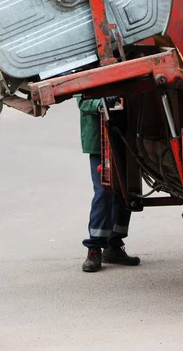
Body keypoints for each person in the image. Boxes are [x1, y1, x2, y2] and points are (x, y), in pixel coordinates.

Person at [77, 97, 140, 273]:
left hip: (124, 134)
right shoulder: (85, 69)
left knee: (124, 191)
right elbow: (82, 100)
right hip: (100, 140)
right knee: (103, 192)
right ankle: (94, 248)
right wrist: (100, 104)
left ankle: (114, 245)